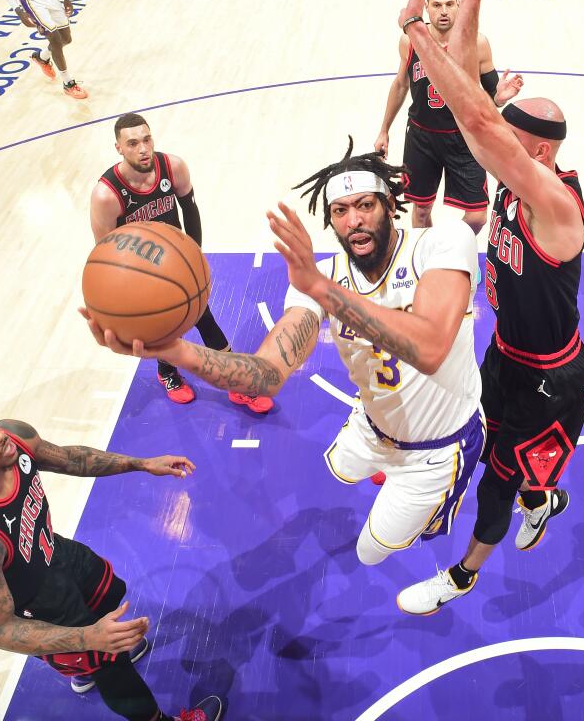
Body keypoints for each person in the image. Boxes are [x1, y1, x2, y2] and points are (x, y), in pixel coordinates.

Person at [83, 139, 486, 569]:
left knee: (371, 553)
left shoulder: (442, 243)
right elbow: (267, 375)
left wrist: (320, 289)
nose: (355, 221)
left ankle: (435, 506)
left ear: (389, 204)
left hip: (440, 446)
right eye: (341, 211)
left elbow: (429, 349)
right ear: (330, 221)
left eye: (365, 205)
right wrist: (175, 349)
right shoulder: (322, 277)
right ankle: (384, 457)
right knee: (342, 468)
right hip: (376, 424)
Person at [394, 0, 584, 615]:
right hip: (507, 351)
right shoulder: (517, 180)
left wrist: (440, 18)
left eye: (508, 139)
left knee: (497, 482)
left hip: (552, 375)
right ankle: (546, 496)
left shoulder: (557, 206)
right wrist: (468, 4)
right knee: (488, 443)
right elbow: (475, 107)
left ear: (535, 152)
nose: (490, 141)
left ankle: (463, 576)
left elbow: (478, 120)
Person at [0, 406, 224, 721]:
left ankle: (83, 669)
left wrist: (140, 464)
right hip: (24, 602)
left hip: (49, 551)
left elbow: (70, 458)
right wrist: (88, 638)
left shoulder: (14, 437)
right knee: (111, 665)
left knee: (108, 591)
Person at [90, 113, 273, 414]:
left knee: (202, 315)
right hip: (139, 275)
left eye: (147, 139)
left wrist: (194, 256)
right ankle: (168, 373)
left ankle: (236, 383)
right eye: (133, 143)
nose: (143, 149)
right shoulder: (107, 195)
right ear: (118, 148)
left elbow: (190, 210)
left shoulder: (172, 167)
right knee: (164, 328)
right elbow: (105, 256)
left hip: (177, 263)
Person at [374, 0, 523, 234]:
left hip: (464, 138)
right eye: (437, 5)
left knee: (477, 216)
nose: (443, 11)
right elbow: (401, 85)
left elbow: (490, 95)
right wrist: (384, 129)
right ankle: (426, 262)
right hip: (422, 137)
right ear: (426, 7)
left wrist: (499, 98)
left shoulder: (476, 43)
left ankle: (447, 250)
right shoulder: (410, 41)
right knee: (421, 210)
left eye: (449, 4)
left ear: (459, 6)